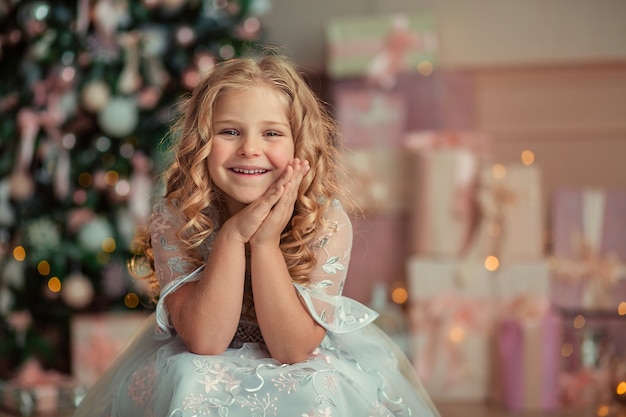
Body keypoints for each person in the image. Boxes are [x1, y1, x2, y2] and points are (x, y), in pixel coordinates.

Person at [73, 50, 440, 417]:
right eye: (229, 131)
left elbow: (293, 350)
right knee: (189, 377)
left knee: (315, 385)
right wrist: (233, 236)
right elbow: (206, 340)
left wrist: (264, 243)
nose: (250, 149)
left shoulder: (325, 220)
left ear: (300, 144)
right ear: (202, 141)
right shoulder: (178, 216)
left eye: (272, 133)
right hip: (204, 358)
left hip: (298, 357)